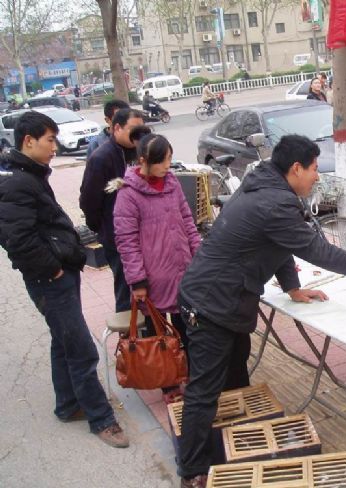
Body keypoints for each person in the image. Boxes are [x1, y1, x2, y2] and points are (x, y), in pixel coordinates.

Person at [176, 134, 346, 487]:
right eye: (313, 168)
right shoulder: (274, 202)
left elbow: (278, 242)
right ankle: (192, 472)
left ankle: (238, 450)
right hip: (212, 303)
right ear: (296, 168)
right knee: (204, 391)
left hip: (223, 299)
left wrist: (292, 288)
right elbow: (318, 251)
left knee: (235, 377)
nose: (317, 176)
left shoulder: (264, 185)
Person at [0, 111, 129, 448]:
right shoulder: (16, 183)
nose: (55, 147)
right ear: (29, 141)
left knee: (63, 341)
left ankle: (68, 405)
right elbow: (17, 240)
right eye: (50, 140)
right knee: (81, 348)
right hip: (50, 280)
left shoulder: (30, 174)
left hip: (59, 274)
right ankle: (102, 419)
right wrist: (53, 269)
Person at [112, 129, 201, 404]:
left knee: (188, 328)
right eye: (161, 161)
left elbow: (188, 221)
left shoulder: (172, 183)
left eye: (169, 159)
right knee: (158, 334)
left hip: (182, 269)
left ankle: (191, 375)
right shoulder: (128, 194)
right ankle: (168, 384)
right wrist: (137, 281)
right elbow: (126, 241)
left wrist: (199, 256)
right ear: (143, 161)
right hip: (152, 277)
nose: (166, 166)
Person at [80, 108, 145, 313]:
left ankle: (149, 330)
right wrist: (104, 228)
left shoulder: (140, 152)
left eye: (142, 130)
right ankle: (128, 331)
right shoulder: (102, 158)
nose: (138, 135)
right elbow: (88, 200)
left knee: (145, 287)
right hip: (116, 237)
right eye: (134, 130)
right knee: (126, 288)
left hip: (142, 233)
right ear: (116, 128)